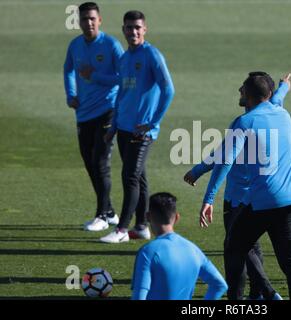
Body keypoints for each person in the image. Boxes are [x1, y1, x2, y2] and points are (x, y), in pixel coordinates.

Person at [183, 73, 291, 300]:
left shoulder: (243, 124)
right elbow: (277, 99)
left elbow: (223, 159)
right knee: (251, 247)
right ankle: (258, 295)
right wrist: (284, 86)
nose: (239, 90)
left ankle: (250, 295)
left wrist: (206, 190)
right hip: (258, 196)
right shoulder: (271, 113)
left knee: (237, 249)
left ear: (250, 95)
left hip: (237, 198)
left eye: (242, 88)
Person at [100, 10, 175, 243]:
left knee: (130, 176)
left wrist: (153, 122)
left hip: (141, 131)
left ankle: (122, 229)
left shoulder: (152, 55)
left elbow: (168, 90)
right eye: (129, 27)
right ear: (123, 30)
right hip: (122, 128)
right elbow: (122, 92)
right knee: (139, 178)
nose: (133, 32)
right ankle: (142, 226)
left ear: (144, 30)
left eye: (137, 28)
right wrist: (113, 125)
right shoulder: (124, 58)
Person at [63, 2, 123, 231]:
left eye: (92, 19)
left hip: (107, 109)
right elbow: (67, 69)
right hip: (83, 113)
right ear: (78, 22)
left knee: (100, 162)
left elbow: (123, 76)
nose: (88, 23)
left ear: (100, 21)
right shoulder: (75, 45)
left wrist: (95, 76)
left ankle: (101, 215)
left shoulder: (110, 45)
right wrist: (71, 94)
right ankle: (109, 212)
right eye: (84, 19)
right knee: (89, 163)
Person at [131, 192, 228, 300]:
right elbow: (219, 285)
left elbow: (139, 296)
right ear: (177, 217)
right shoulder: (193, 250)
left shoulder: (148, 252)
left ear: (148, 216)